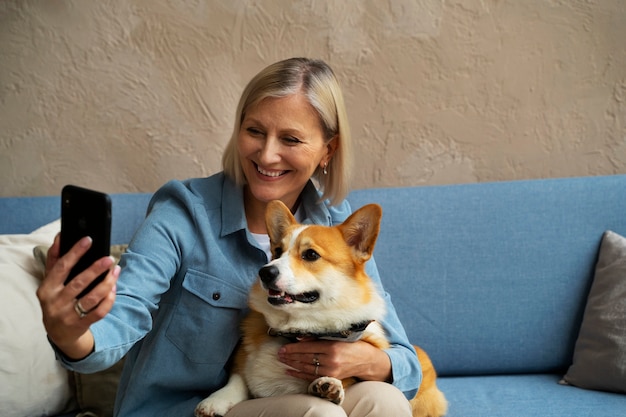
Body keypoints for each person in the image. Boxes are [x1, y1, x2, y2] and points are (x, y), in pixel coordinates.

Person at [37, 57, 422, 417]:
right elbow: (124, 315)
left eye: (290, 139)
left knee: (381, 399)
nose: (267, 155)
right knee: (318, 413)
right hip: (189, 410)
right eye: (254, 131)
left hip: (289, 396)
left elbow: (404, 359)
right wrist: (71, 332)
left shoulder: (334, 226)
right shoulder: (183, 212)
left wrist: (363, 361)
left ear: (327, 150)